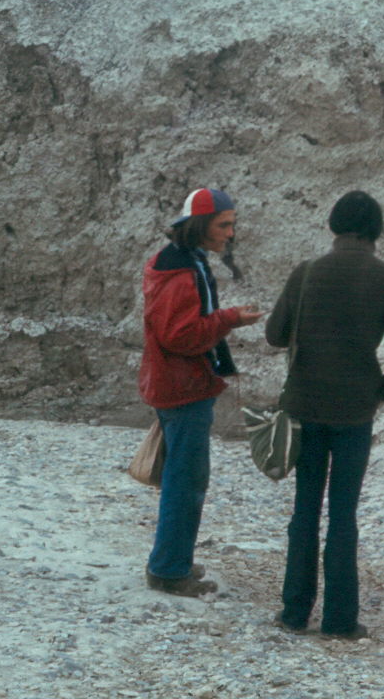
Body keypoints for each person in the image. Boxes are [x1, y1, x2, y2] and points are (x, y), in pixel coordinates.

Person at [266, 191, 384, 639]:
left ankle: (294, 612)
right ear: (376, 230)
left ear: (334, 225)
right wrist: (378, 392)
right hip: (355, 412)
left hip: (303, 406)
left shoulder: (306, 272)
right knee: (343, 515)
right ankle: (339, 620)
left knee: (304, 509)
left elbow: (275, 334)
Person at [140, 187, 263, 597]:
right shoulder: (182, 270)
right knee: (185, 481)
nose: (230, 233)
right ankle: (169, 570)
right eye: (224, 224)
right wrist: (230, 319)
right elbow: (180, 336)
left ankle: (171, 559)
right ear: (201, 225)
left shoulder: (178, 260)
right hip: (183, 387)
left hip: (176, 383)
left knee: (182, 476)